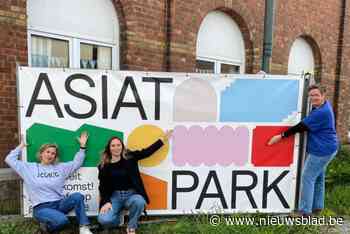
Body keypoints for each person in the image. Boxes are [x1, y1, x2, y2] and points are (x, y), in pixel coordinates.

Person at [267, 84, 339, 216]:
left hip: (322, 150)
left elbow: (300, 127)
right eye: (311, 95)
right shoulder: (322, 105)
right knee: (318, 177)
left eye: (316, 95)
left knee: (308, 177)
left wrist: (280, 136)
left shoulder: (322, 112)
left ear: (323, 95)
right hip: (329, 147)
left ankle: (305, 212)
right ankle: (317, 207)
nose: (313, 98)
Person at [5, 132, 93, 234]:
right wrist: (21, 145)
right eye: (48, 152)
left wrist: (82, 146)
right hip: (41, 208)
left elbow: (77, 163)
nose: (50, 155)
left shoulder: (60, 168)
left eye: (53, 153)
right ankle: (46, 229)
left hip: (59, 204)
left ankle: (84, 227)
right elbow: (9, 159)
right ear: (41, 153)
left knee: (77, 196)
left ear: (55, 157)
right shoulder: (29, 168)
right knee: (62, 220)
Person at [97, 130, 172, 234]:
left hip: (131, 194)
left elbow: (147, 152)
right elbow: (102, 187)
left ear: (122, 147)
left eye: (118, 145)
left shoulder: (130, 157)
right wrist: (106, 201)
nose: (116, 148)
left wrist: (162, 140)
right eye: (113, 145)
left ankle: (132, 226)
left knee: (140, 201)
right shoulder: (104, 166)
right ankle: (119, 219)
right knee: (103, 220)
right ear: (109, 148)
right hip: (115, 197)